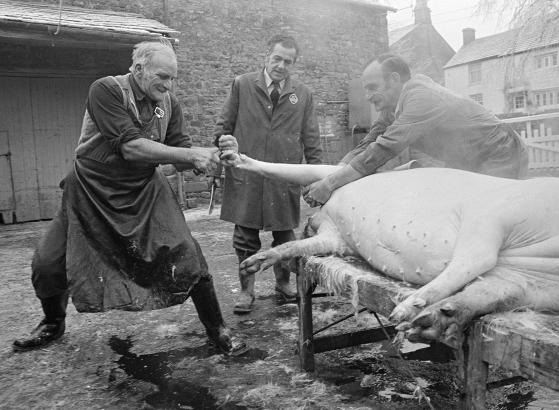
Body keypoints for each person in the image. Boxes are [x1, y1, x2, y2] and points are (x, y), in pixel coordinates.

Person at [13, 40, 241, 354]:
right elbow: (130, 147)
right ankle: (53, 322)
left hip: (143, 189)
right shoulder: (105, 90)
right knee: (47, 262)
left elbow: (177, 157)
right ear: (137, 69)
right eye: (162, 76)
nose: (168, 84)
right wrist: (193, 154)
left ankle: (218, 330)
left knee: (188, 253)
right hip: (91, 188)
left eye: (172, 78)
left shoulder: (169, 104)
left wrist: (212, 157)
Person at [303, 53, 529, 207]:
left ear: (394, 79)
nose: (368, 97)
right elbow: (367, 144)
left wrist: (330, 185)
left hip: (499, 151)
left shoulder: (421, 96)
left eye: (373, 88)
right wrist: (335, 173)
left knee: (491, 214)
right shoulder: (391, 110)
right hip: (467, 159)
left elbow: (384, 148)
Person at [213, 34, 323, 314]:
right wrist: (222, 150)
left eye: (288, 61)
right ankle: (246, 290)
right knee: (245, 238)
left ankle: (283, 284)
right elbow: (224, 125)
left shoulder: (304, 94)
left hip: (283, 176)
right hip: (246, 175)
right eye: (277, 58)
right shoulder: (242, 84)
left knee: (285, 237)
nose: (281, 65)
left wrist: (318, 178)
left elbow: (311, 139)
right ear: (266, 56)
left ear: (293, 64)